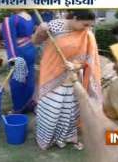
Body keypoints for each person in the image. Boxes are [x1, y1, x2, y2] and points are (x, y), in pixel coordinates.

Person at [32, 10, 102, 150]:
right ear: (75, 18)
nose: (87, 28)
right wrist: (40, 31)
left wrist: (75, 65)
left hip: (72, 77)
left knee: (69, 110)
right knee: (51, 108)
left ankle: (65, 137)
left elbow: (89, 59)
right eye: (85, 24)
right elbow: (35, 41)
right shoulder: (55, 26)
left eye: (90, 25)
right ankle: (45, 138)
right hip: (51, 74)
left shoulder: (87, 34)